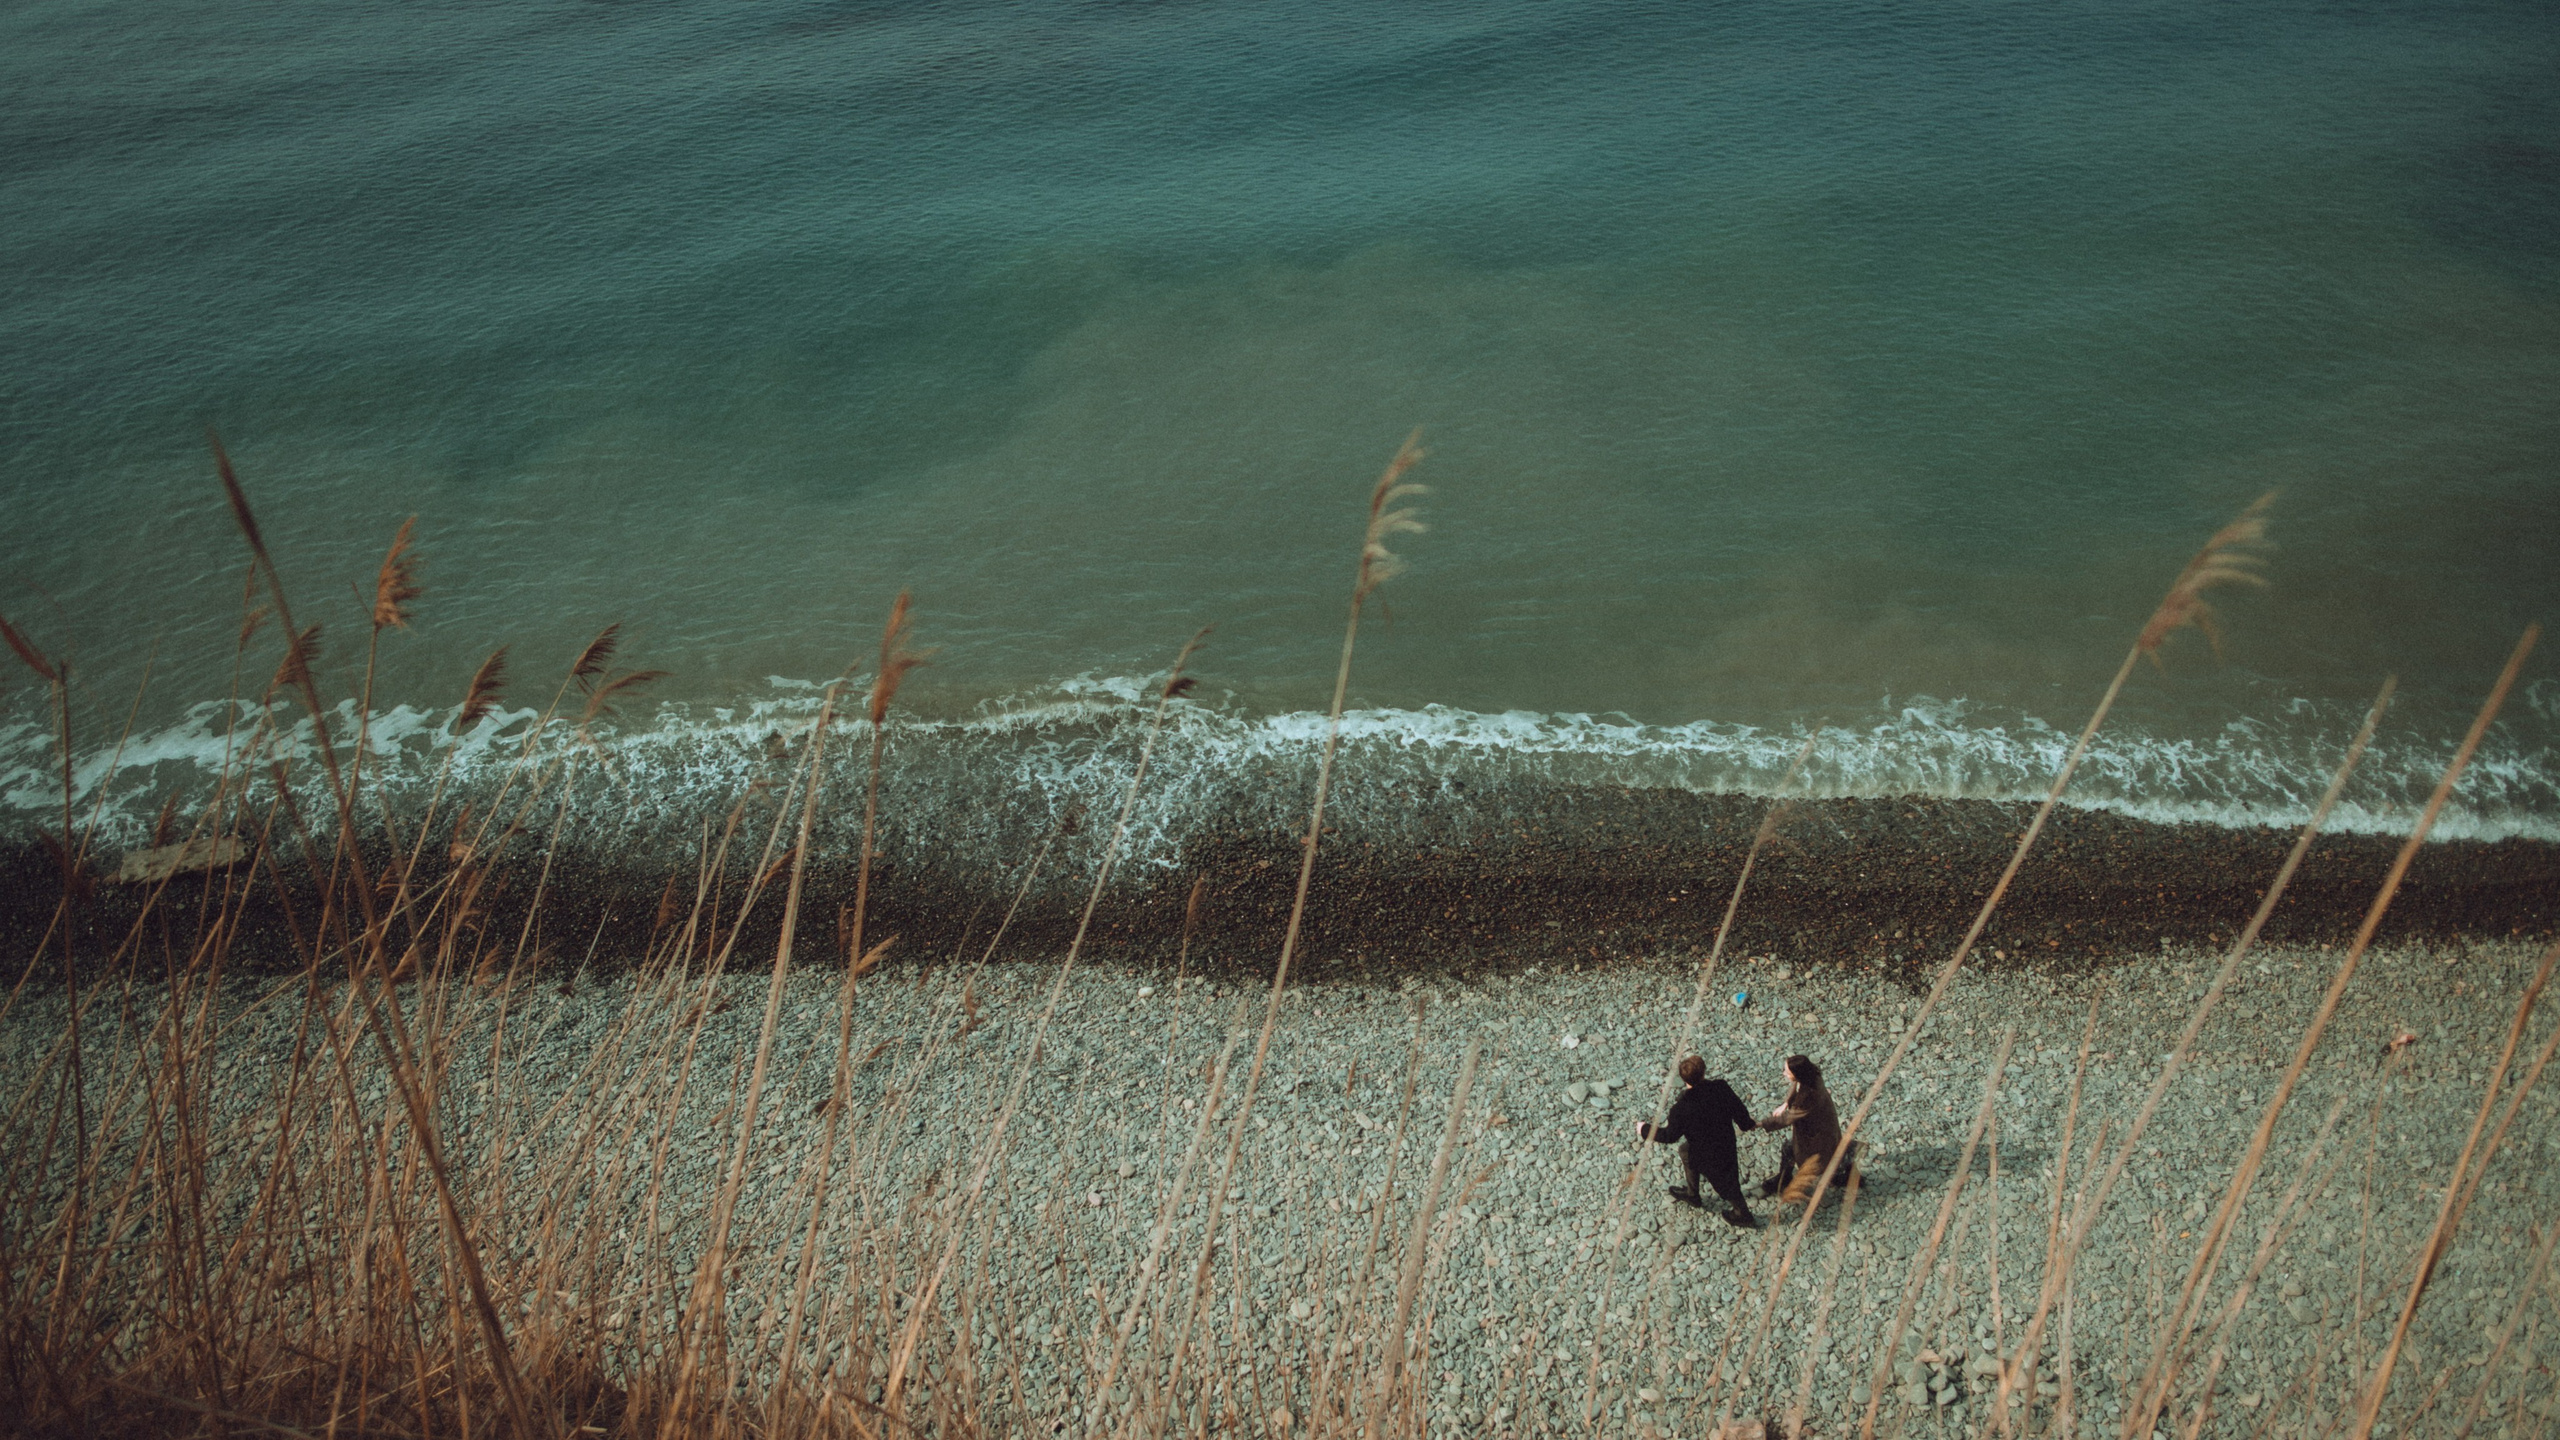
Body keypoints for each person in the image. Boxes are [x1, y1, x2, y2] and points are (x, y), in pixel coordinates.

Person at [1636, 1056, 1761, 1228]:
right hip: (1724, 1142)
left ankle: (1743, 1214)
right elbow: (1740, 1112)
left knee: (1725, 1182)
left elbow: (1669, 1136)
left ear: (1683, 1079)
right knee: (1686, 1152)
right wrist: (1748, 1124)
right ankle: (1692, 1194)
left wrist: (1644, 1129)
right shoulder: (1721, 1088)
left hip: (1707, 1151)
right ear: (1704, 1072)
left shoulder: (1681, 1108)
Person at [1757, 1053, 1850, 1205]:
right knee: (1797, 1150)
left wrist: (1761, 1124)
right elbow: (1795, 1088)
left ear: (1797, 1074)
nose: (1784, 1074)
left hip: (1817, 1132)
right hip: (1823, 1122)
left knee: (1798, 1151)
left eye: (1787, 1072)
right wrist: (1786, 1103)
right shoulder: (1811, 1076)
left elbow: (1788, 1118)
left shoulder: (1809, 1096)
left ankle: (1787, 1180)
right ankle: (1785, 1177)